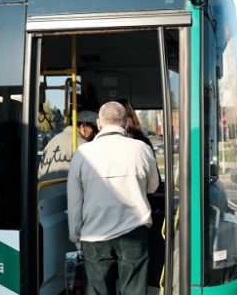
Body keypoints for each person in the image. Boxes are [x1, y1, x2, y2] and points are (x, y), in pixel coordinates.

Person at [67, 101, 159, 294]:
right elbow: (153, 186)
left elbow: (75, 202)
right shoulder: (141, 149)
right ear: (125, 124)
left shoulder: (82, 154)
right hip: (133, 232)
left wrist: (76, 237)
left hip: (94, 236)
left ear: (99, 124)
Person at [38, 110, 98, 181]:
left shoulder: (52, 141)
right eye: (94, 129)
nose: (94, 134)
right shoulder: (82, 144)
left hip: (41, 191)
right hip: (64, 191)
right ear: (83, 126)